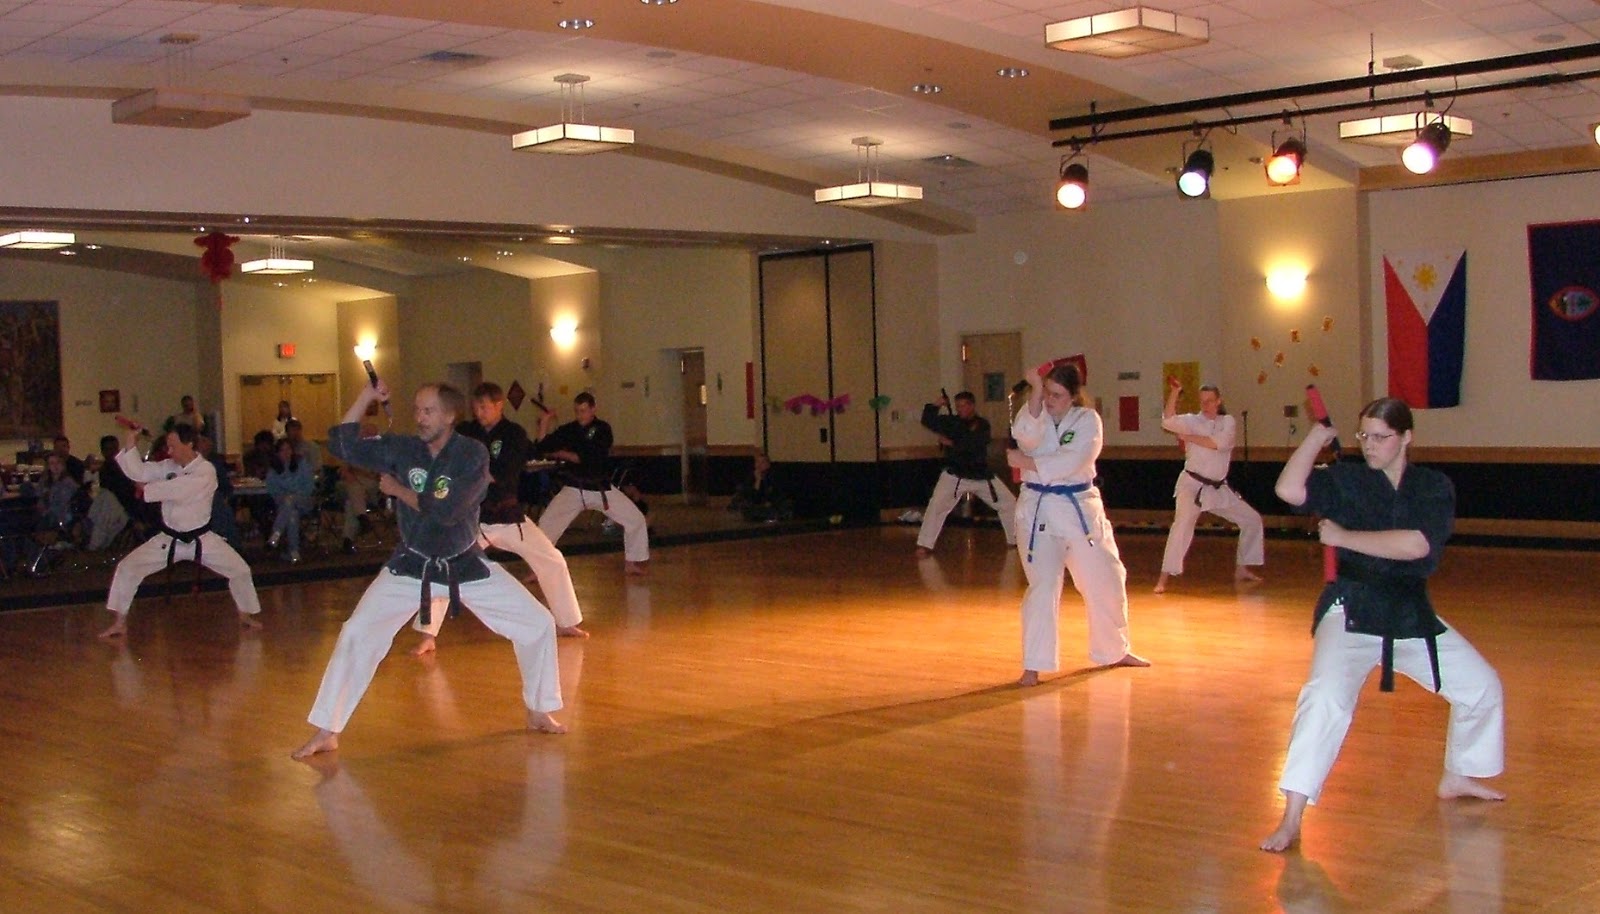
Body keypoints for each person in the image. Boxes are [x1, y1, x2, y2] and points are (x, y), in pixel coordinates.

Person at [1260, 397, 1504, 853]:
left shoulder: (1433, 487)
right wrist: (1315, 439)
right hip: (1350, 609)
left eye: (1380, 437)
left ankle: (1458, 773)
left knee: (1482, 686)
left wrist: (1342, 537)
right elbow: (1289, 491)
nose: (1369, 446)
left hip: (1408, 612)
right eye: (1363, 436)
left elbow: (1416, 546)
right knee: (1324, 698)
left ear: (1406, 437)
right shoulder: (1349, 479)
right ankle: (1291, 817)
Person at [292, 381, 565, 760]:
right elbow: (341, 444)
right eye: (417, 410)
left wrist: (400, 491)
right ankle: (328, 729)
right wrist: (366, 398)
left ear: (450, 416)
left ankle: (538, 707)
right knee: (356, 634)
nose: (419, 418)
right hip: (411, 563)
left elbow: (448, 510)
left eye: (428, 411)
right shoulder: (403, 448)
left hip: (463, 562)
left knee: (538, 622)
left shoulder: (471, 454)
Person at [411, 382, 589, 654]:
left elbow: (504, 474)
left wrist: (472, 472)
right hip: (473, 518)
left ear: (498, 405)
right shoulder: (466, 433)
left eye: (484, 407)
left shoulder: (513, 434)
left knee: (552, 560)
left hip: (507, 515)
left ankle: (565, 622)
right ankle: (427, 635)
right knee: (446, 566)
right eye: (476, 407)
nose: (479, 412)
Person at [1007, 361, 1147, 686]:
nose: (1050, 400)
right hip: (1038, 510)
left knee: (1107, 577)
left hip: (1079, 509)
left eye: (1057, 394)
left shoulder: (1087, 420)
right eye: (1045, 393)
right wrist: (1036, 394)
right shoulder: (1034, 415)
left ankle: (1114, 649)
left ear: (1073, 396)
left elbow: (1074, 460)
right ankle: (1033, 664)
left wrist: (1026, 463)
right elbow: (1025, 436)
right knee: (1042, 587)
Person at [99, 422, 263, 639]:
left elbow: (162, 489)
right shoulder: (169, 466)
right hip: (169, 538)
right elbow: (139, 472)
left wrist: (144, 486)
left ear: (189, 444)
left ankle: (245, 615)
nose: (169, 451)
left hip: (202, 539)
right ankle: (120, 622)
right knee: (128, 567)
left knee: (240, 570)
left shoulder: (206, 472)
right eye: (168, 446)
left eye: (173, 446)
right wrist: (131, 441)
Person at [1154, 381, 1264, 593]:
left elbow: (1217, 443)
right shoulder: (1192, 420)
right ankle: (1163, 578)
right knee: (1182, 526)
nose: (1206, 405)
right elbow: (1167, 421)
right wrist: (1175, 392)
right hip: (1191, 485)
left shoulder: (1227, 422)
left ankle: (1242, 567)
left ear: (1218, 401)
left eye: (1210, 401)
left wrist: (1189, 437)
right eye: (1202, 401)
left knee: (1252, 520)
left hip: (1216, 488)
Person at [535, 392, 649, 575]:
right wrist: (545, 421)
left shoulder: (603, 429)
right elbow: (543, 446)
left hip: (599, 487)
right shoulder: (569, 429)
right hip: (573, 487)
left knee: (635, 519)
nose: (580, 415)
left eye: (584, 411)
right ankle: (538, 568)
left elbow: (586, 458)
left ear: (593, 409)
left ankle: (632, 562)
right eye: (577, 411)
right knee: (546, 523)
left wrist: (560, 454)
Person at [914, 391, 1017, 556]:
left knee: (1009, 504)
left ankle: (1015, 539)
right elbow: (928, 420)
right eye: (958, 406)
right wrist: (936, 405)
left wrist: (950, 443)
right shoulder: (952, 422)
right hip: (955, 474)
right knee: (936, 506)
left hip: (980, 475)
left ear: (972, 406)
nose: (960, 409)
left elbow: (973, 445)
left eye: (963, 406)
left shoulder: (982, 425)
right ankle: (925, 544)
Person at [87, 434, 143, 551]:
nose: (112, 452)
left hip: (126, 509)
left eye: (114, 449)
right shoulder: (105, 470)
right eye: (108, 449)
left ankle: (95, 545)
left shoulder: (126, 467)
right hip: (114, 507)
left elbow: (129, 494)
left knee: (107, 505)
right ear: (103, 452)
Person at [265, 438, 315, 563]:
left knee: (290, 500)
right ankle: (294, 552)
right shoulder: (273, 470)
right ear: (277, 453)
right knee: (292, 513)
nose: (286, 453)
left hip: (304, 501)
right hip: (285, 506)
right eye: (282, 450)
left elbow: (309, 487)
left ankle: (276, 534)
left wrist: (293, 496)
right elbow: (273, 491)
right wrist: (285, 497)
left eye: (288, 449)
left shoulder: (301, 464)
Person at [728, 451, 792, 522]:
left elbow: (767, 496)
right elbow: (751, 495)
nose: (759, 465)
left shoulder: (772, 476)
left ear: (768, 465)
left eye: (762, 462)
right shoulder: (752, 476)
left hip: (772, 505)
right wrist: (757, 481)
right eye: (757, 462)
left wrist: (758, 481)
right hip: (757, 504)